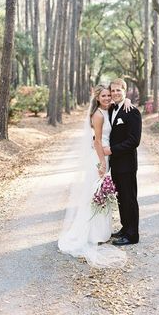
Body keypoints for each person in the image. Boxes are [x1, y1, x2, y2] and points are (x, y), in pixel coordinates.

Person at [58, 84, 131, 267]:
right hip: (99, 159)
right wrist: (102, 163)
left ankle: (101, 232)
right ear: (98, 98)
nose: (107, 98)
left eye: (109, 95)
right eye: (104, 95)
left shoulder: (110, 110)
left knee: (101, 195)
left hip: (106, 156)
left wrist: (127, 99)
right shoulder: (98, 115)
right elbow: (97, 140)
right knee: (95, 195)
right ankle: (91, 233)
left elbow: (121, 103)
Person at [104, 78, 142, 246]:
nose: (115, 93)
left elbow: (134, 140)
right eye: (113, 91)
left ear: (125, 91)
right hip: (116, 165)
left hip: (127, 164)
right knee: (121, 198)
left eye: (119, 90)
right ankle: (125, 228)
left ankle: (132, 235)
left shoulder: (132, 111)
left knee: (130, 199)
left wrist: (113, 150)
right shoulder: (113, 109)